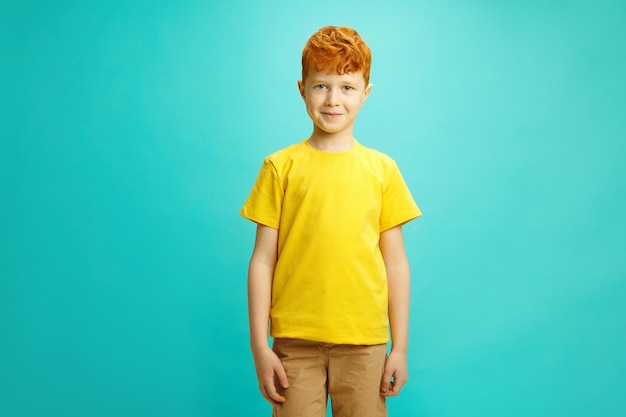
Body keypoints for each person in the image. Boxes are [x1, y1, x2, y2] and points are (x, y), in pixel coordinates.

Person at [241, 25, 422, 417]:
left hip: (364, 342)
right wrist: (259, 345)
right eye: (321, 86)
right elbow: (262, 261)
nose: (333, 99)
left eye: (346, 87)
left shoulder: (383, 171)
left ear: (366, 93)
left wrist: (401, 347)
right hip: (294, 341)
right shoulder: (279, 167)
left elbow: (395, 262)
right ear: (302, 88)